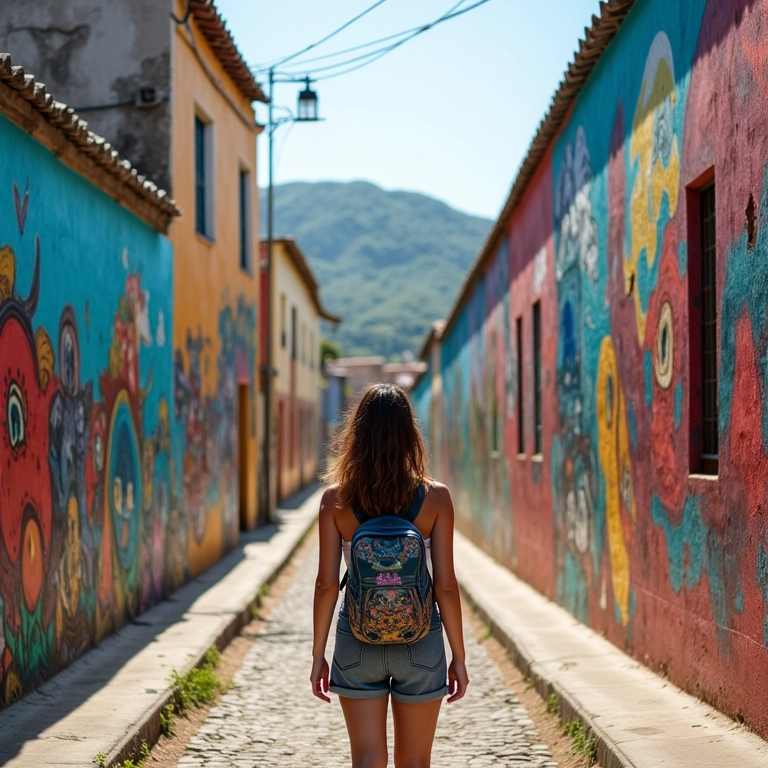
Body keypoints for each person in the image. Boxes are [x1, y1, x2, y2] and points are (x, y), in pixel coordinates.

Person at [311, 382, 469, 768]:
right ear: (409, 434)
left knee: (366, 760)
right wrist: (459, 656)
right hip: (421, 641)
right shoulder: (435, 497)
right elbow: (445, 585)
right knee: (415, 762)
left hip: (357, 640)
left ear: (356, 434)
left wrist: (318, 655)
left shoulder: (336, 499)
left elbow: (327, 584)